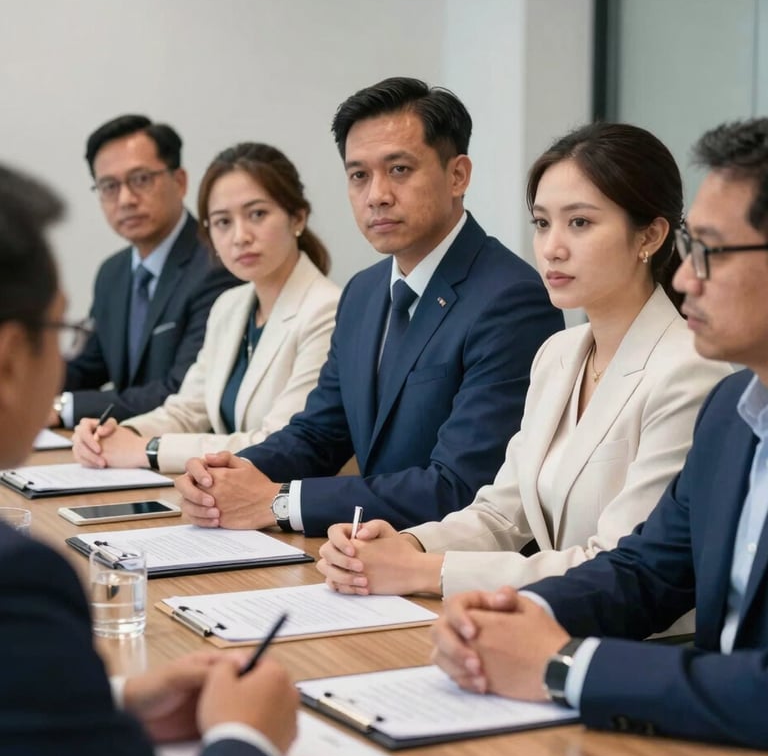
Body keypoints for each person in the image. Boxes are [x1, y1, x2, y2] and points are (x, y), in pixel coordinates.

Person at [430, 118, 768, 750]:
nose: (688, 279)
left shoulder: (698, 379)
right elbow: (647, 570)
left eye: (712, 253)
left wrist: (561, 666)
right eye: (542, 222)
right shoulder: (734, 410)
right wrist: (517, 614)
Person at [317, 122, 731, 598]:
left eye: (580, 223)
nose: (551, 247)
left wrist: (425, 572)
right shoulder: (559, 354)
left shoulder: (689, 370)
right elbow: (501, 512)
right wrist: (406, 543)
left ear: (650, 236)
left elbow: (619, 561)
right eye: (541, 222)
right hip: (546, 620)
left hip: (637, 643)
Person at [0, 162, 298, 756]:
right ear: (10, 359)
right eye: (64, 333)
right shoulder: (19, 581)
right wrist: (247, 738)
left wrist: (110, 706)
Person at [176, 76, 564, 536]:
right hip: (364, 558)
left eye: (399, 169)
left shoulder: (510, 298)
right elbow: (320, 433)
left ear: (458, 175)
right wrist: (223, 473)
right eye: (359, 175)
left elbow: (459, 486)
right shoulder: (363, 292)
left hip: (456, 574)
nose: (376, 194)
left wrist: (279, 502)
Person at [70, 143, 340, 474]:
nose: (240, 236)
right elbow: (188, 409)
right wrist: (120, 433)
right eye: (223, 222)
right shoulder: (230, 305)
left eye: (257, 214)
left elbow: (280, 441)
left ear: (297, 217)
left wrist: (148, 449)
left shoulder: (328, 310)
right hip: (224, 501)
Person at [48, 114, 237, 427]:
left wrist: (63, 408)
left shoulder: (217, 264)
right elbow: (88, 367)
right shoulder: (113, 272)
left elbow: (181, 390)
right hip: (118, 453)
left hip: (187, 453)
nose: (125, 199)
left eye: (140, 180)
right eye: (109, 186)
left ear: (180, 182)